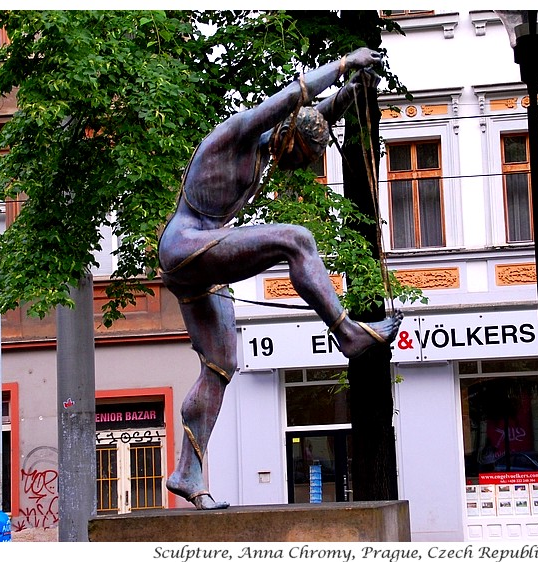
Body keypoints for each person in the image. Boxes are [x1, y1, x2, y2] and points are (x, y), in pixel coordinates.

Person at [158, 47, 403, 510]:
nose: (293, 165)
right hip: (186, 246)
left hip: (201, 266)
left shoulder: (272, 142)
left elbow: (316, 111)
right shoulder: (238, 133)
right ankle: (346, 332)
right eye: (299, 154)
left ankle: (187, 473)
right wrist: (346, 62)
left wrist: (356, 90)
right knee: (297, 239)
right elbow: (297, 95)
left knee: (220, 364)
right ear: (288, 133)